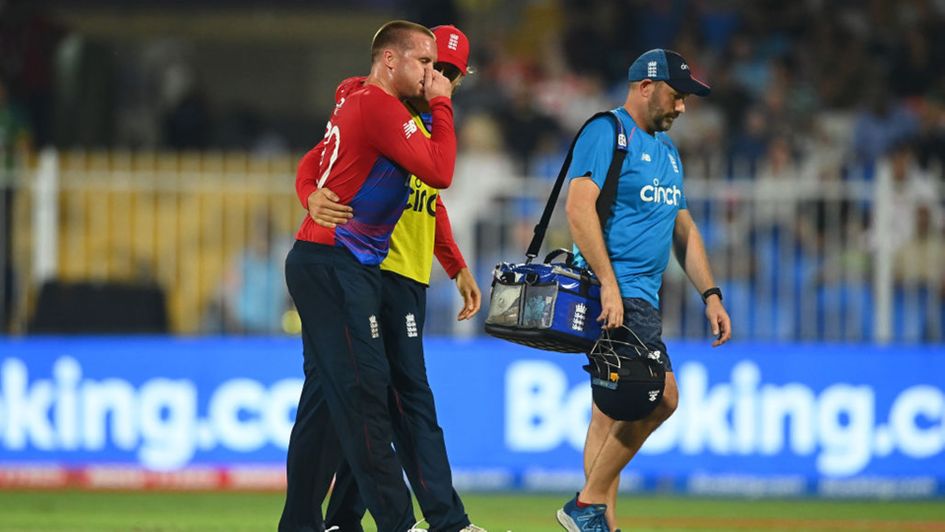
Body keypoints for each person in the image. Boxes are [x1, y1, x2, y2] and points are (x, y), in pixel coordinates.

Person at [298, 25, 485, 532]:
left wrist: (455, 264)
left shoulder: (420, 119)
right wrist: (309, 194)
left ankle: (338, 519)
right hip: (373, 271)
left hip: (398, 272)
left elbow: (430, 202)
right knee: (394, 399)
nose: (438, 78)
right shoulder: (382, 106)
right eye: (431, 66)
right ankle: (444, 521)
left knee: (362, 399)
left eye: (448, 72)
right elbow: (318, 158)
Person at [556, 49, 732, 532]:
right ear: (646, 87)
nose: (682, 107)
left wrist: (711, 294)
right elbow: (578, 209)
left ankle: (601, 523)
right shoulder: (606, 132)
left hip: (642, 296)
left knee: (608, 414)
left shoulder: (669, 152)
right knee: (662, 396)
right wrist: (609, 286)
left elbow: (683, 229)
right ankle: (587, 503)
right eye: (676, 95)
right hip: (617, 294)